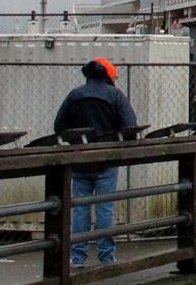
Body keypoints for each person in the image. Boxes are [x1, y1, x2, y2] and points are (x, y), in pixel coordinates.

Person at [53, 57, 137, 267]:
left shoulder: (75, 95)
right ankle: (106, 256)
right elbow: (129, 126)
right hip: (106, 158)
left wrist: (75, 139)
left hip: (80, 159)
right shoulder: (115, 95)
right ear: (107, 75)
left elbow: (59, 125)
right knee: (104, 208)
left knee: (80, 208)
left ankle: (77, 256)